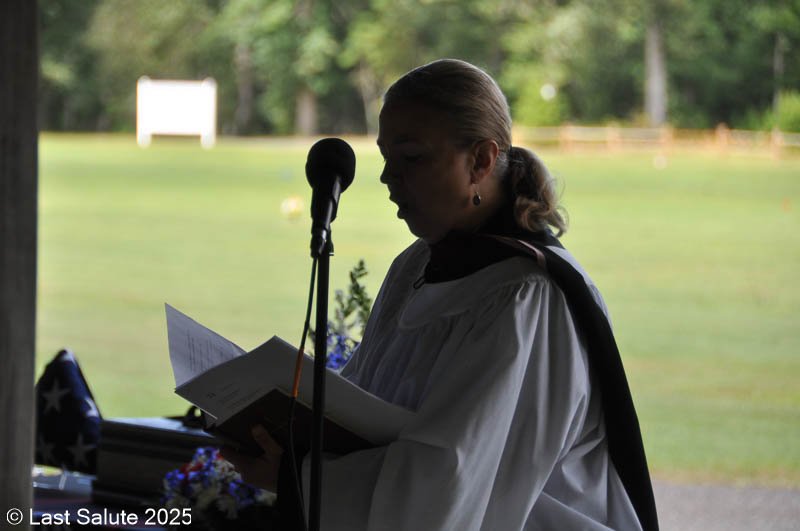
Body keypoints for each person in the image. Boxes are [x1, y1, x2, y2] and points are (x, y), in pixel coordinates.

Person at [222, 58, 659, 530]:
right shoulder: (417, 263)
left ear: (481, 161)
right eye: (386, 157)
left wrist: (301, 479)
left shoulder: (528, 296)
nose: (388, 177)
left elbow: (449, 485)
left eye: (411, 158)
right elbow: (366, 398)